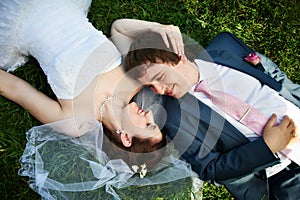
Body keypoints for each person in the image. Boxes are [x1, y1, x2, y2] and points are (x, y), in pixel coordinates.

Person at [0, 0, 198, 199]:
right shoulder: (133, 80)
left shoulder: (75, 122)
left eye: (148, 125)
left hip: (22, 24)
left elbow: (14, 88)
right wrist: (160, 28)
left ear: (126, 138)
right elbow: (119, 28)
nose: (149, 114)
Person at [123, 30, 300, 199]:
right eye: (150, 86)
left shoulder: (226, 46)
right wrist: (266, 147)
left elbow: (275, 77)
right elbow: (210, 169)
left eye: (160, 76)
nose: (159, 90)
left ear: (179, 56)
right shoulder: (174, 119)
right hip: (286, 175)